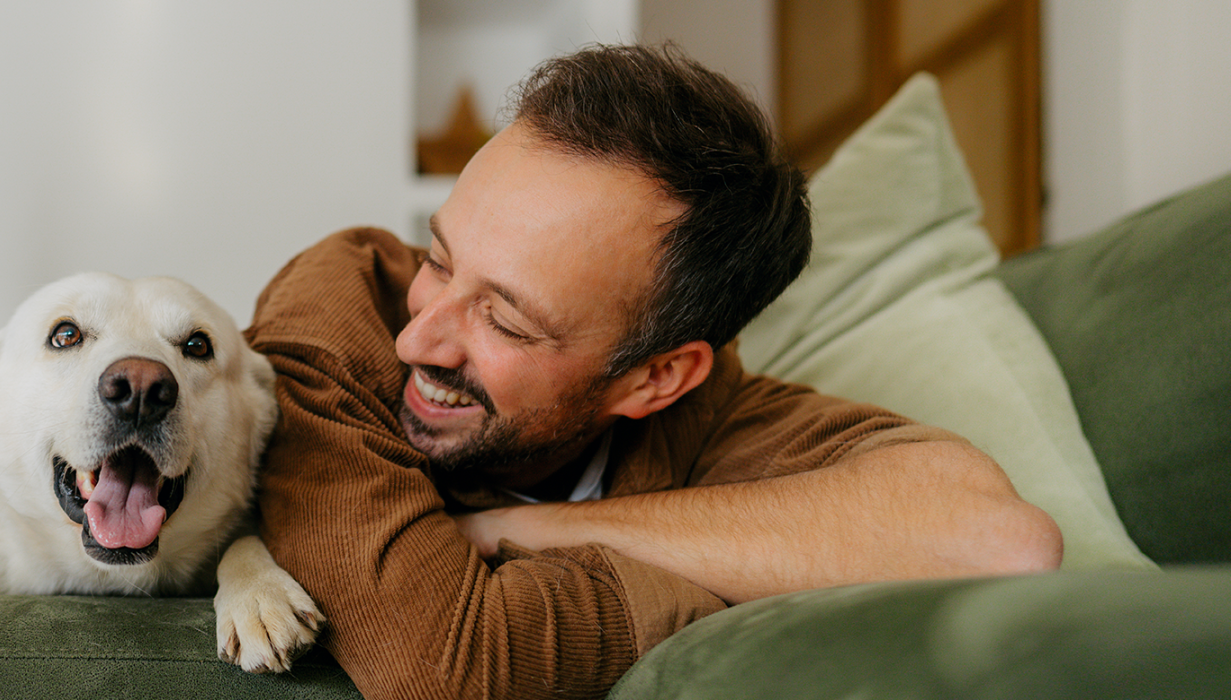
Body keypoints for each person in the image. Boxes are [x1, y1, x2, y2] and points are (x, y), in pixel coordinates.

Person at [244, 44, 1062, 699]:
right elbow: (447, 663)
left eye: (506, 319)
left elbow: (1000, 540)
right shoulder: (338, 307)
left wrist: (523, 532)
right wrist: (705, 586)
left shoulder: (712, 414)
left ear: (658, 380)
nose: (421, 338)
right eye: (439, 258)